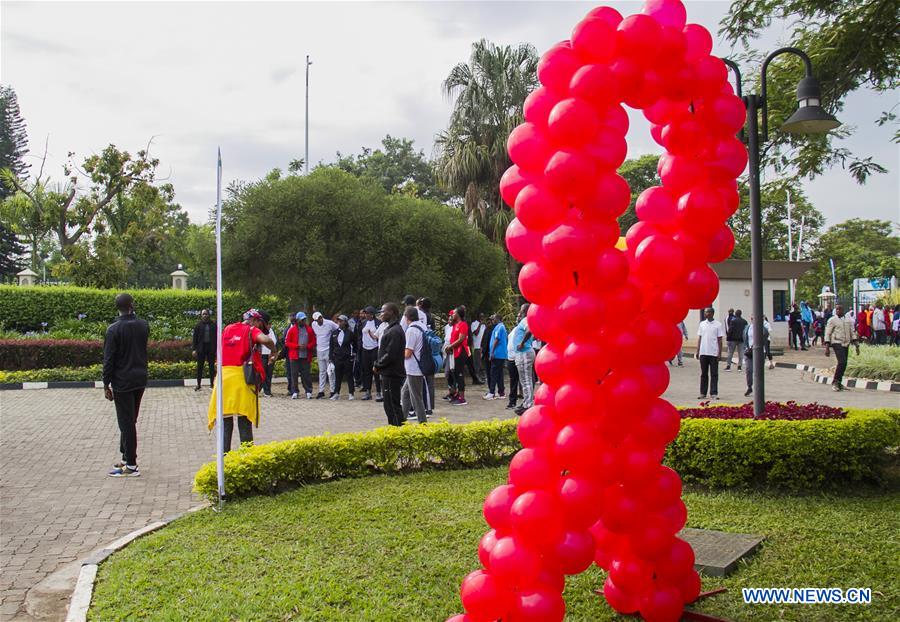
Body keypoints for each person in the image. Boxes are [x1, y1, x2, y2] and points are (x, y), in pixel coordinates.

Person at [206, 309, 275, 452]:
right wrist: (274, 350)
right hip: (241, 379)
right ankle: (246, 456)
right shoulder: (251, 330)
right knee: (244, 420)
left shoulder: (228, 328)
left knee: (225, 421)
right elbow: (266, 340)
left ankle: (224, 457)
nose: (260, 329)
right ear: (255, 320)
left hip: (223, 379)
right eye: (261, 325)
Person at [104, 293, 149, 477]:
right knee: (131, 420)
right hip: (140, 378)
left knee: (126, 423)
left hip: (122, 381)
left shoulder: (113, 330)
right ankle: (125, 457)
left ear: (117, 308)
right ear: (132, 305)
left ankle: (131, 465)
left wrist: (106, 384)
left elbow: (109, 360)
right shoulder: (143, 325)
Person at [373, 302, 406, 426]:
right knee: (389, 405)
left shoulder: (395, 331)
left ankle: (398, 430)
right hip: (388, 372)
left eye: (383, 311)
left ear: (391, 312)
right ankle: (393, 428)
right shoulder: (390, 329)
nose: (381, 314)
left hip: (392, 373)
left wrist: (378, 365)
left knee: (392, 405)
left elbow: (390, 354)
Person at [400, 306, 429, 423]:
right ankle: (401, 419)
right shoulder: (422, 326)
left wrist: (397, 354)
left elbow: (408, 353)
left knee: (416, 397)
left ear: (407, 317)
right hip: (419, 366)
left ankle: (423, 422)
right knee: (405, 392)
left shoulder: (411, 330)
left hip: (414, 368)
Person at [825, 304, 859, 391]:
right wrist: (827, 347)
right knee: (842, 362)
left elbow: (852, 331)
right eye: (836, 309)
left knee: (844, 363)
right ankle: (835, 382)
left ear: (843, 310)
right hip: (837, 342)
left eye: (839, 309)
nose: (838, 311)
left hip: (846, 343)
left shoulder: (848, 320)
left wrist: (856, 344)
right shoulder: (832, 320)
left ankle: (839, 383)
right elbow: (828, 333)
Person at [285, 311, 316, 399]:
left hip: (306, 356)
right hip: (294, 356)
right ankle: (295, 391)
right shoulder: (292, 330)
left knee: (306, 374)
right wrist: (297, 346)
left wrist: (307, 346)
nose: (303, 321)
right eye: (302, 320)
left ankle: (308, 391)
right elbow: (287, 342)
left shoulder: (309, 329)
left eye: (304, 319)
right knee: (294, 375)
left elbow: (314, 341)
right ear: (297, 320)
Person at [696, 307, 725, 400]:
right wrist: (698, 351)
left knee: (714, 374)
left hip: (713, 352)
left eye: (707, 312)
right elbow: (700, 338)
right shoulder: (702, 324)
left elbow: (720, 340)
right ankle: (703, 393)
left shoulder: (718, 325)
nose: (705, 314)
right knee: (703, 374)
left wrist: (719, 353)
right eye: (705, 312)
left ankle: (714, 392)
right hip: (703, 352)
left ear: (712, 313)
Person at [445, 306, 471, 405]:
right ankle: (457, 394)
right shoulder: (456, 324)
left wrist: (450, 346)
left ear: (459, 314)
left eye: (454, 313)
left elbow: (461, 339)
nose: (453, 314)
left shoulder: (463, 324)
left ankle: (462, 398)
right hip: (455, 351)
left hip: (461, 351)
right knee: (455, 373)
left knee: (460, 374)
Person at [512, 304, 534, 415]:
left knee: (526, 380)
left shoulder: (526, 320)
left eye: (521, 310)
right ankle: (526, 402)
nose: (519, 312)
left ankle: (528, 405)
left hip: (524, 352)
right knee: (524, 380)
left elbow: (529, 331)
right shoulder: (525, 320)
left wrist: (522, 343)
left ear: (525, 311)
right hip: (522, 353)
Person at [311, 311, 338, 398]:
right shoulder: (313, 325)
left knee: (330, 371)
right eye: (318, 319)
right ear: (315, 320)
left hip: (328, 349)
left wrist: (334, 342)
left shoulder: (329, 323)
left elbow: (338, 329)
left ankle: (332, 390)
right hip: (319, 350)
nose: (320, 320)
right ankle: (321, 391)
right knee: (322, 371)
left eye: (320, 318)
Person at [741, 315, 769, 397]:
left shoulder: (763, 329)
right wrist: (746, 347)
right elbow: (744, 337)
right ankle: (749, 386)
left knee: (758, 371)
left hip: (760, 352)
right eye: (753, 319)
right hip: (749, 352)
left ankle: (759, 388)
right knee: (749, 369)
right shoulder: (747, 328)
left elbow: (765, 337)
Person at [329, 314, 355, 400]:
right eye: (338, 321)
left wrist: (353, 355)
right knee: (338, 376)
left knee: (349, 375)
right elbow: (331, 346)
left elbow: (355, 344)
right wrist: (331, 358)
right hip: (337, 357)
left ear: (345, 322)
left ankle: (351, 393)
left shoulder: (350, 333)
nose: (339, 322)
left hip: (347, 357)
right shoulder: (334, 333)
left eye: (341, 321)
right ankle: (336, 393)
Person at [359, 306, 382, 401]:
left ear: (372, 314)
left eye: (368, 313)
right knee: (367, 371)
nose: (366, 315)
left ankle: (378, 392)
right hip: (365, 349)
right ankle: (368, 391)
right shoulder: (363, 323)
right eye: (365, 313)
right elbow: (359, 335)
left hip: (375, 348)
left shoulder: (378, 323)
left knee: (376, 370)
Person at [191, 309, 216, 391]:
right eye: (203, 314)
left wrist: (217, 349)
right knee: (200, 367)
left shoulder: (213, 325)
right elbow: (194, 338)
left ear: (209, 315)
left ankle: (212, 384)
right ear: (201, 315)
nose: (205, 315)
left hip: (211, 348)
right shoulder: (198, 325)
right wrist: (194, 349)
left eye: (206, 314)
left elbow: (217, 337)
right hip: (201, 348)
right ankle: (198, 384)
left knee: (211, 367)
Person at [485, 314, 507, 400]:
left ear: (497, 319)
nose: (492, 320)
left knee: (493, 373)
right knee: (499, 374)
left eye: (493, 319)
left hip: (497, 354)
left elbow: (497, 340)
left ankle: (491, 392)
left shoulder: (499, 327)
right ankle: (501, 392)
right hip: (500, 354)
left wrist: (491, 352)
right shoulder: (500, 327)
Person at [258, 311, 277, 397]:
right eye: (268, 324)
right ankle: (259, 389)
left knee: (269, 373)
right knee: (262, 373)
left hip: (270, 354)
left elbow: (274, 341)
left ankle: (267, 390)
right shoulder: (260, 331)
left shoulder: (271, 331)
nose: (269, 326)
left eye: (270, 324)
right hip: (262, 355)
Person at [281, 314, 297, 396]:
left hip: (297, 352)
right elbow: (283, 340)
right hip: (288, 353)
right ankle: (291, 389)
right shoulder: (287, 329)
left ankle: (296, 389)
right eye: (290, 317)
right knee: (289, 371)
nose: (291, 318)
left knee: (295, 372)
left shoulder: (299, 328)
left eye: (293, 317)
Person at [471, 313, 487, 384]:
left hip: (483, 346)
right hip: (477, 346)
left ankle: (483, 378)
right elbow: (476, 333)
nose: (482, 318)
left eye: (483, 316)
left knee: (483, 363)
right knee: (477, 363)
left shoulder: (484, 325)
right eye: (481, 316)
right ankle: (476, 378)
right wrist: (480, 324)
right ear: (478, 317)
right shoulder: (474, 324)